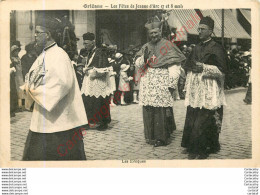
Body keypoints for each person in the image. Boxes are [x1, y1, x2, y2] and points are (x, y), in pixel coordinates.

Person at [22, 16, 88, 160]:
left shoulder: (58, 55)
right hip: (44, 115)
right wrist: (29, 86)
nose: (35, 36)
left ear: (48, 34)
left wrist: (34, 91)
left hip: (58, 121)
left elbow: (62, 83)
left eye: (38, 32)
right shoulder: (45, 54)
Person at [135, 16, 186, 147]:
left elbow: (175, 66)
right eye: (151, 33)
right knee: (148, 109)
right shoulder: (145, 46)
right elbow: (138, 64)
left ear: (160, 33)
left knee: (160, 111)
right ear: (148, 34)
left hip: (162, 82)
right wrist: (143, 58)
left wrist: (172, 83)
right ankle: (150, 136)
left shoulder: (168, 45)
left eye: (155, 33)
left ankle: (161, 138)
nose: (153, 35)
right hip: (147, 83)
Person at [181, 16, 227, 159]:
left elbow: (223, 70)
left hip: (209, 86)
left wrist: (205, 67)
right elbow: (188, 64)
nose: (199, 31)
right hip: (196, 87)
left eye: (202, 29)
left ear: (210, 31)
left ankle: (204, 148)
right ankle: (192, 146)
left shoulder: (217, 47)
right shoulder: (196, 47)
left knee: (205, 117)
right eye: (198, 29)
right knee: (193, 114)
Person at [80, 32, 112, 130]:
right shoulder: (89, 52)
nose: (84, 46)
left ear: (93, 43)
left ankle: (103, 122)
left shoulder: (100, 52)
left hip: (98, 81)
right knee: (87, 100)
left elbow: (104, 68)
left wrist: (92, 72)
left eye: (86, 43)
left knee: (100, 101)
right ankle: (88, 121)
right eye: (84, 43)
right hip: (89, 81)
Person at [10, 43, 24, 111]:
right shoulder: (12, 59)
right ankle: (18, 105)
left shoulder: (18, 58)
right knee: (17, 89)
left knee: (21, 89)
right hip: (16, 76)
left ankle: (20, 105)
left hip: (20, 75)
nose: (17, 52)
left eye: (17, 51)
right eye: (15, 51)